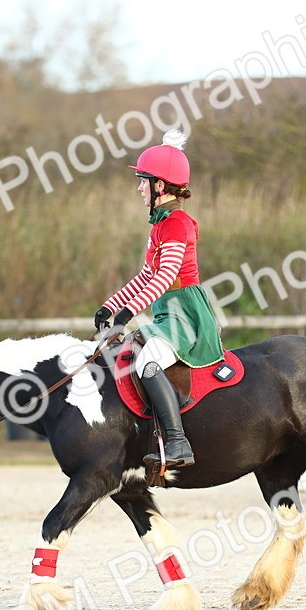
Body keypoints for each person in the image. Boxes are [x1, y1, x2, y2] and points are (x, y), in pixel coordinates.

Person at [94, 130, 224, 469]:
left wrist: (127, 314)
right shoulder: (160, 226)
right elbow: (145, 276)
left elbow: (166, 278)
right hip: (168, 313)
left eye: (143, 181)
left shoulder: (178, 224)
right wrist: (111, 305)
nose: (139, 188)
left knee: (147, 361)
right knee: (130, 354)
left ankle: (178, 443)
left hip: (186, 314)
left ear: (160, 186)